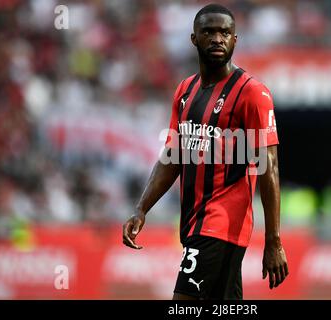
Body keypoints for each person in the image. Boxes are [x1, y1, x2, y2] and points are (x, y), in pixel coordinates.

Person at [122, 3, 288, 300]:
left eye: (225, 32)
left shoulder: (252, 93)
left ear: (235, 39)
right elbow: (172, 155)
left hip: (220, 226)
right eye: (209, 32)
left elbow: (269, 166)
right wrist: (142, 207)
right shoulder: (185, 90)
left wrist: (274, 240)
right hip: (194, 224)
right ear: (193, 38)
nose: (217, 39)